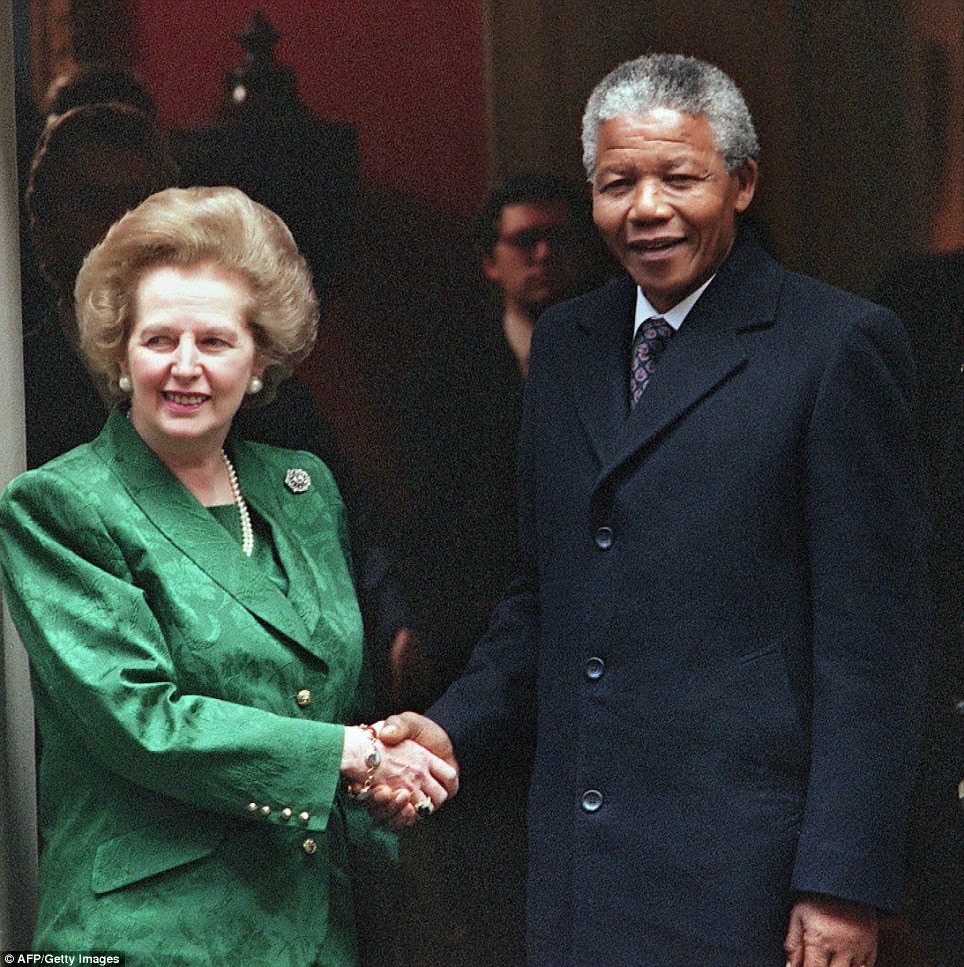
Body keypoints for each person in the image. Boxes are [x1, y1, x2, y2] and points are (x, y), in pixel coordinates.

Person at [380, 53, 928, 966]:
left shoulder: (835, 345)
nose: (646, 208)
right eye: (617, 182)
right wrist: (451, 721)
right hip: (577, 865)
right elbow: (544, 594)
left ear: (742, 182)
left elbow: (873, 646)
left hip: (746, 871)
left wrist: (842, 882)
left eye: (680, 177)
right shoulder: (568, 341)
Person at [0, 186, 456, 964]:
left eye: (214, 341)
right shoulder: (59, 506)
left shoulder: (300, 488)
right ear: (119, 353)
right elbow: (143, 720)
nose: (185, 366)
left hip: (316, 926)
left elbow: (337, 700)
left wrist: (385, 782)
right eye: (157, 340)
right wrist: (354, 757)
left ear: (259, 360)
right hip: (154, 936)